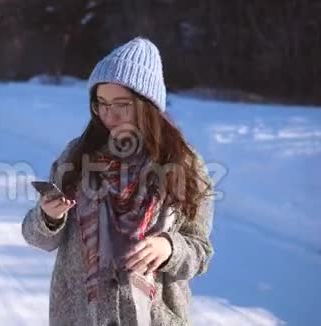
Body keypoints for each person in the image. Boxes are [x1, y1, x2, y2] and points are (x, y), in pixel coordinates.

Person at [21, 37, 214, 326]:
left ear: (147, 105)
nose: (108, 115)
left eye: (121, 105)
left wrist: (169, 248)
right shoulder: (78, 155)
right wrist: (48, 217)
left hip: (153, 318)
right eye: (101, 104)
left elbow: (200, 252)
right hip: (83, 316)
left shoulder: (184, 165)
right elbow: (36, 236)